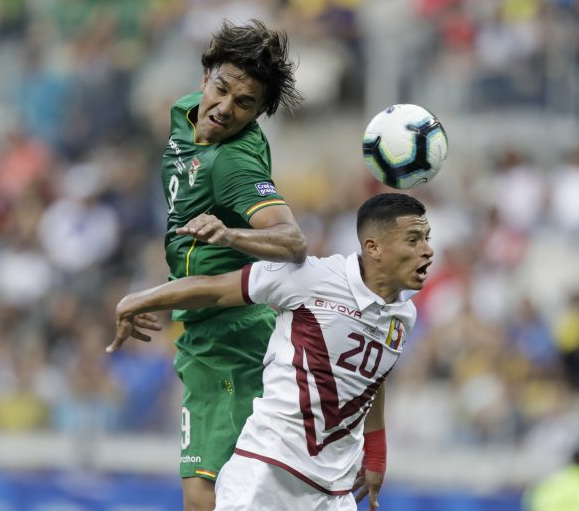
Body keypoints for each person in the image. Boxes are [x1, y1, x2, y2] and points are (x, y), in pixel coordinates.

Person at [108, 193, 434, 510]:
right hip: (267, 473)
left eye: (427, 239)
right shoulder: (312, 277)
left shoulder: (404, 317)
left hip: (334, 493)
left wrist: (376, 453)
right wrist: (137, 301)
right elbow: (216, 290)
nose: (428, 251)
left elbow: (372, 380)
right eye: (414, 240)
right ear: (373, 247)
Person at [156, 19, 306, 511]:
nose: (223, 109)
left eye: (245, 105)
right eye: (221, 90)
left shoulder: (231, 164)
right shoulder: (184, 112)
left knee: (204, 499)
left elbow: (292, 240)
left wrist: (229, 233)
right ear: (205, 76)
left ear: (260, 112)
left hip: (233, 342)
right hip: (202, 333)